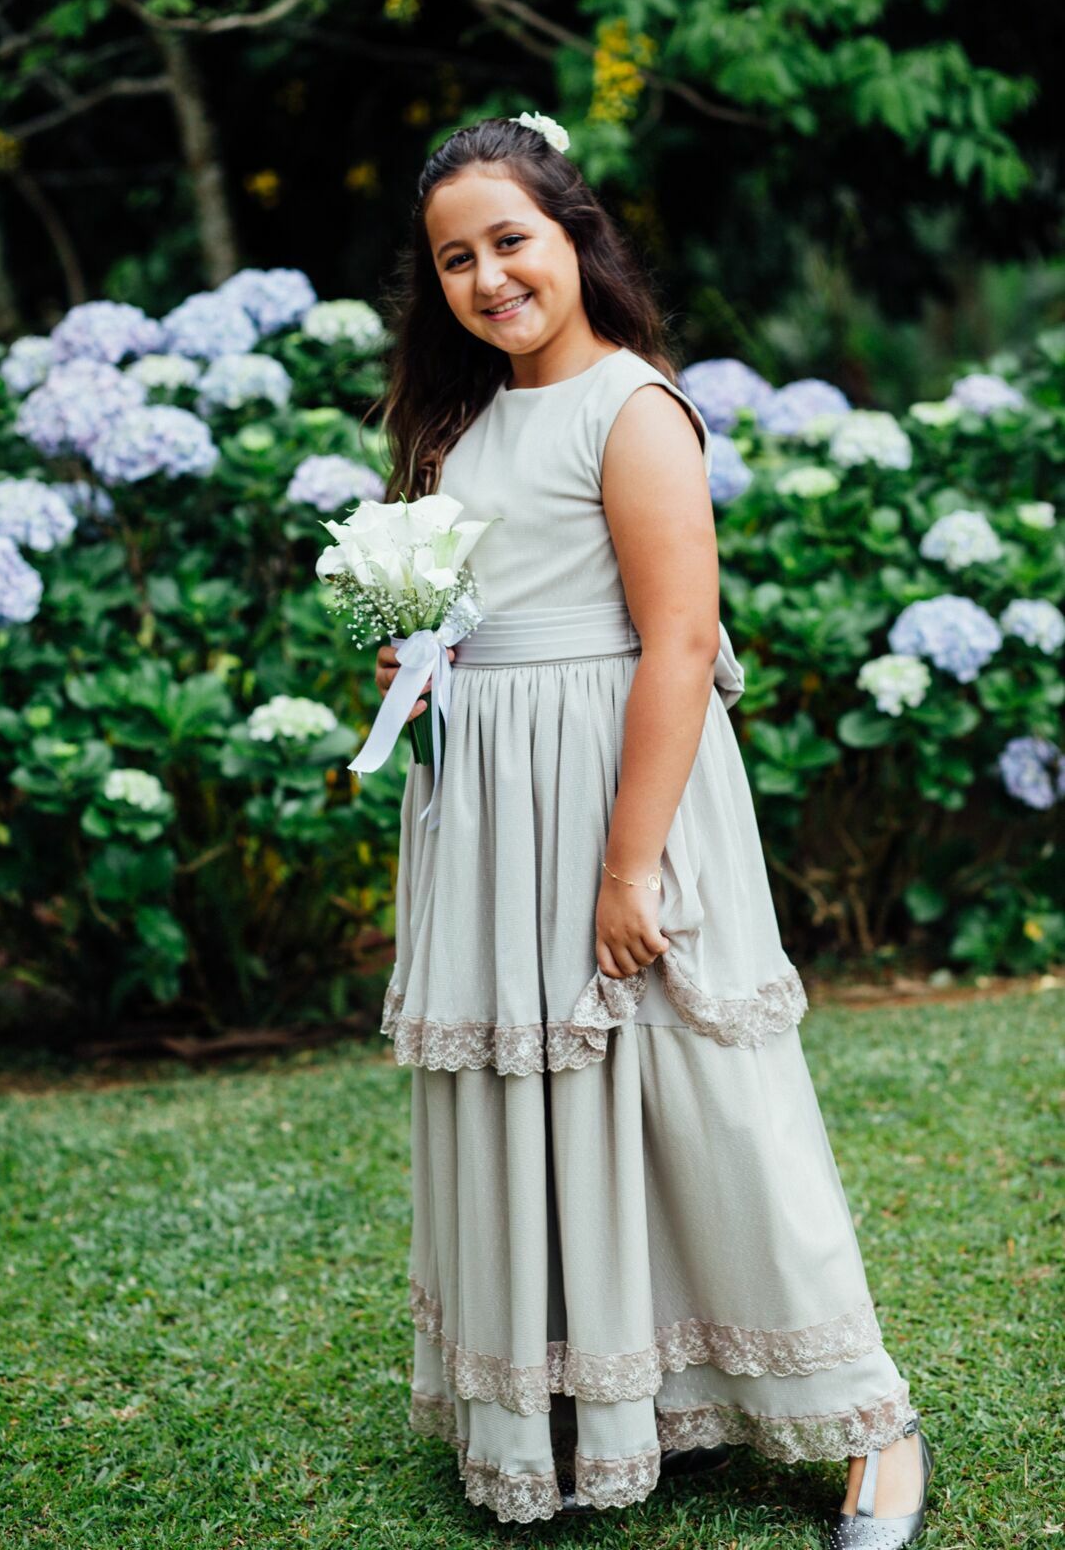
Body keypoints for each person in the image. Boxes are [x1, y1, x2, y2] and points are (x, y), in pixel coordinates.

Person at [369, 113, 935, 1543]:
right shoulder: (462, 423)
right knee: (548, 1100)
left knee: (702, 1094)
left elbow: (679, 644)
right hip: (496, 813)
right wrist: (420, 661)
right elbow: (485, 614)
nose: (490, 278)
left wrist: (631, 869)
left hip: (626, 801)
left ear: (574, 240)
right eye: (457, 259)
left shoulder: (634, 410)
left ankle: (875, 1423)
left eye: (513, 242)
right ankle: (602, 1393)